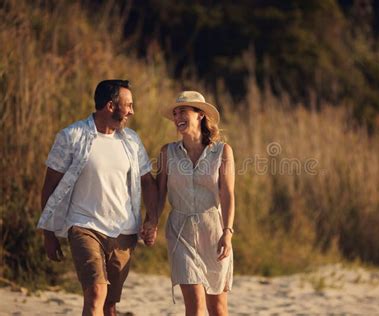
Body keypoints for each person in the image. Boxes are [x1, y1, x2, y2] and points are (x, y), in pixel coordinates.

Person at [37, 80, 159, 316]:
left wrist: (151, 219)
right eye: (129, 105)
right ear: (110, 106)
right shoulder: (71, 136)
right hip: (84, 226)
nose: (132, 111)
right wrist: (48, 232)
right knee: (95, 293)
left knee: (109, 305)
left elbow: (148, 183)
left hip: (123, 231)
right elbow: (50, 185)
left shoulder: (131, 141)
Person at [153, 91, 235, 315]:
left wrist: (227, 232)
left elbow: (227, 194)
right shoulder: (167, 152)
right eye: (175, 112)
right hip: (180, 230)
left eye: (183, 111)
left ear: (200, 115)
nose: (177, 115)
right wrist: (152, 222)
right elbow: (159, 194)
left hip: (213, 231)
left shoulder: (222, 151)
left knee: (217, 308)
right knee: (194, 306)